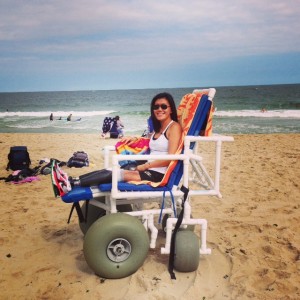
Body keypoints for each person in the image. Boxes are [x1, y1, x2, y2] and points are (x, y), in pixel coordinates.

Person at [68, 92, 182, 187]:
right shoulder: (158, 128)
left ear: (171, 109)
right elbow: (150, 141)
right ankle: (72, 180)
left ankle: (74, 184)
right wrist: (135, 139)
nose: (159, 109)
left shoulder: (174, 127)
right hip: (149, 169)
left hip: (158, 174)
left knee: (116, 174)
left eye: (164, 106)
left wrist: (146, 166)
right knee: (110, 170)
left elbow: (170, 157)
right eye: (156, 107)